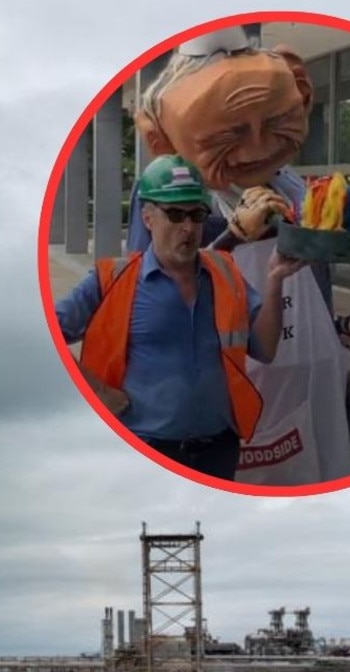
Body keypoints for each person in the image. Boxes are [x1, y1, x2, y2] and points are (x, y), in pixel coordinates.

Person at [124, 26, 350, 485]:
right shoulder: (171, 201)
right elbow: (147, 301)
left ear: (302, 93)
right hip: (225, 411)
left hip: (314, 400)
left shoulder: (297, 193)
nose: (259, 146)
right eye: (229, 133)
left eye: (276, 120)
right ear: (160, 136)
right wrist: (234, 237)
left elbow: (311, 316)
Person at [55, 155, 305, 480]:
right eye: (174, 215)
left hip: (218, 448)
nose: (188, 227)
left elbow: (265, 349)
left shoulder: (225, 273)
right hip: (145, 449)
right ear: (147, 218)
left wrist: (274, 279)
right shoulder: (111, 279)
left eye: (196, 214)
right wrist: (100, 393)